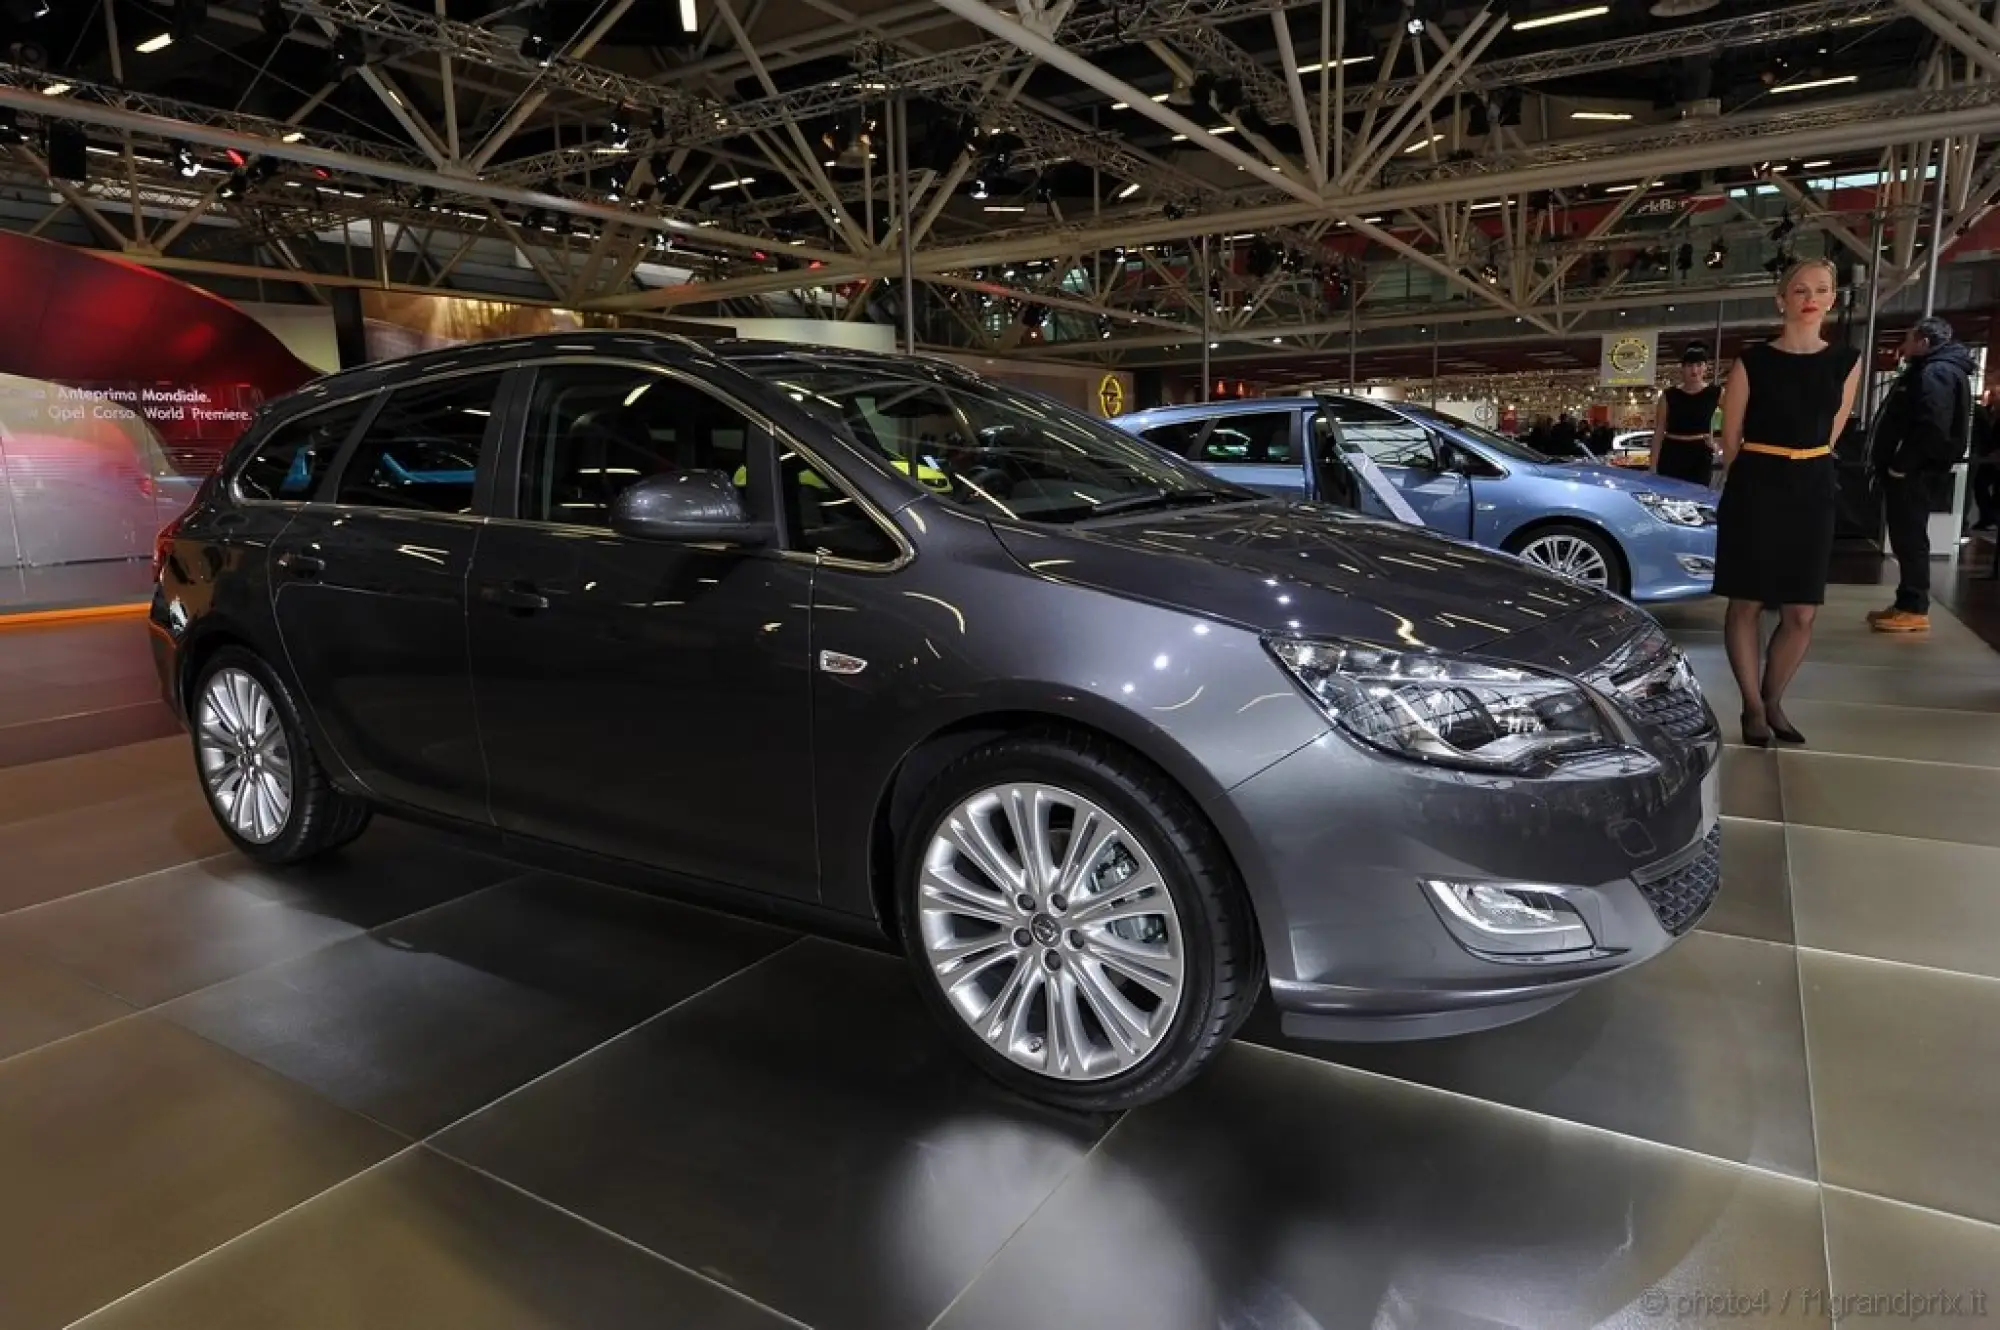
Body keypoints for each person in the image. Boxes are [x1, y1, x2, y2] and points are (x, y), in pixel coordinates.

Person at [1715, 257, 1862, 747]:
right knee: (1748, 600)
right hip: (1757, 480)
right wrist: (1753, 481)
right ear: (1782, 299)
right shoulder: (1752, 362)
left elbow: (1833, 428)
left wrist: (1808, 466)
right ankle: (1752, 708)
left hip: (1814, 482)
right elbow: (1730, 438)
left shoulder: (1846, 360)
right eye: (1800, 290)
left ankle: (1774, 697)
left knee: (1802, 610)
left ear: (1833, 299)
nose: (1811, 298)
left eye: (1821, 289)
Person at [1651, 343, 1723, 485]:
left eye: (1699, 365)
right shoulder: (1668, 395)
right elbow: (1659, 431)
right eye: (1690, 365)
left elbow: (1735, 419)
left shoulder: (1716, 393)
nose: (1694, 370)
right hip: (1671, 453)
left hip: (1700, 455)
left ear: (1705, 367)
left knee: (1697, 499)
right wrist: (1653, 465)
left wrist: (1718, 445)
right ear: (1683, 368)